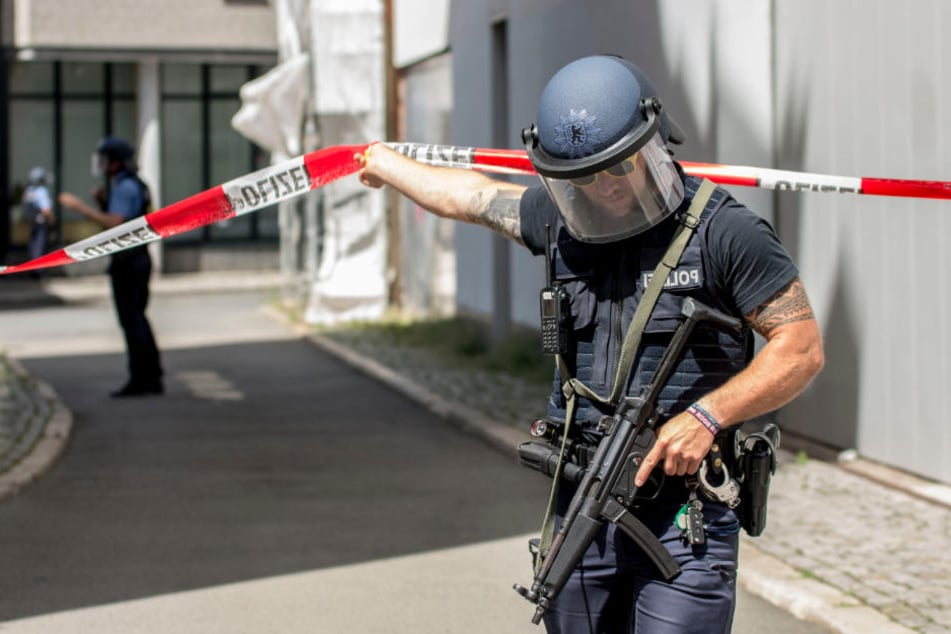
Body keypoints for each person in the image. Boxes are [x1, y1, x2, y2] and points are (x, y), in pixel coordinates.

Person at [355, 55, 824, 633]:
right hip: (584, 497)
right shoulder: (560, 222)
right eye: (585, 177)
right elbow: (470, 198)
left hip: (685, 514)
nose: (603, 187)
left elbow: (800, 348)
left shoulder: (727, 233)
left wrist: (707, 416)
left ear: (653, 143)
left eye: (617, 168)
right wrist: (385, 164)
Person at [58, 136, 164, 398]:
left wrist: (80, 208)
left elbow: (116, 223)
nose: (102, 164)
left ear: (115, 162)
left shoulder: (126, 186)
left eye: (105, 159)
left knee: (132, 320)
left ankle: (142, 379)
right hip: (137, 259)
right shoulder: (135, 184)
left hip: (129, 262)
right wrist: (103, 202)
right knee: (138, 318)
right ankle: (151, 375)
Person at [22, 166, 56, 275]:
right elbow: (46, 210)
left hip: (32, 222)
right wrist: (52, 220)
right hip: (41, 222)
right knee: (40, 245)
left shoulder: (29, 191)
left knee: (33, 245)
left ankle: (33, 268)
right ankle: (39, 271)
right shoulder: (41, 191)